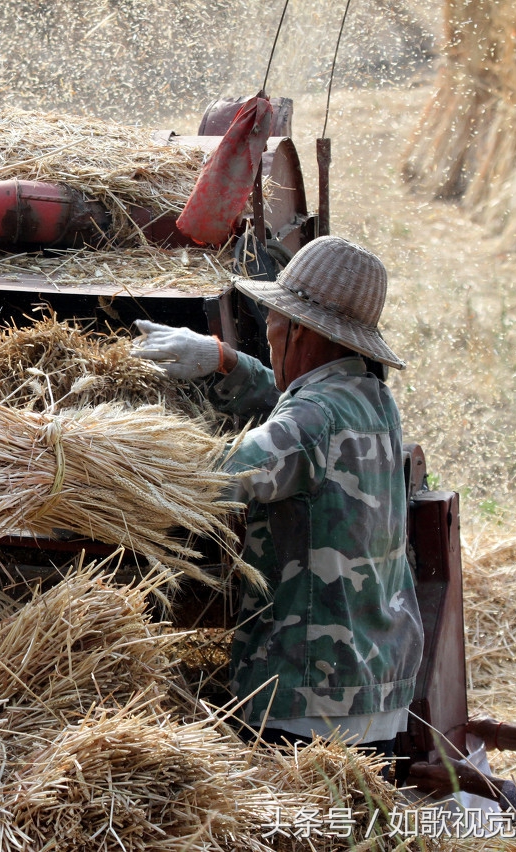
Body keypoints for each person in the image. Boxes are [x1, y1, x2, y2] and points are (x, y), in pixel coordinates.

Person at [133, 235, 424, 753]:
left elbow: (214, 479)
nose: (265, 328)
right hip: (373, 682)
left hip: (310, 703)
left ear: (300, 331)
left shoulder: (315, 421)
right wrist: (225, 360)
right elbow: (298, 406)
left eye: (272, 316)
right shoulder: (371, 399)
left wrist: (106, 452)